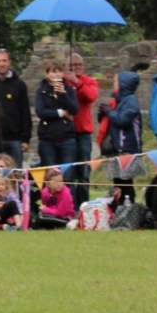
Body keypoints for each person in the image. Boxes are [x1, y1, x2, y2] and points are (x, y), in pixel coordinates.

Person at [104, 71, 144, 206]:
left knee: (126, 183)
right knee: (118, 183)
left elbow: (123, 120)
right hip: (118, 148)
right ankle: (119, 207)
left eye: (116, 82)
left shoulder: (131, 101)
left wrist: (109, 112)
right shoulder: (120, 100)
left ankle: (128, 208)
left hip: (128, 148)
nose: (114, 85)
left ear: (124, 84)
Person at [34, 61, 79, 178]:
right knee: (51, 176)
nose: (58, 74)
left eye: (60, 71)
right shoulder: (41, 91)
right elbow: (41, 112)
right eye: (54, 71)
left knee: (67, 176)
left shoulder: (69, 90)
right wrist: (61, 113)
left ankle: (68, 196)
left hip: (66, 138)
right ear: (47, 75)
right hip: (48, 139)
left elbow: (74, 109)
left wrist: (63, 94)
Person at [65, 53, 99, 203]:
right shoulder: (63, 83)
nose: (78, 67)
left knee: (83, 174)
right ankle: (70, 207)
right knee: (69, 174)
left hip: (83, 134)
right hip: (67, 134)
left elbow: (91, 96)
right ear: (68, 67)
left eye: (80, 64)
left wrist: (77, 83)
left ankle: (84, 207)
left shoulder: (89, 81)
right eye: (74, 65)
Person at [0, 49, 31, 165]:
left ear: (10, 62)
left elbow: (25, 112)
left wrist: (25, 139)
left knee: (15, 175)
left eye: (4, 60)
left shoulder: (19, 85)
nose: (2, 64)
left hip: (15, 140)